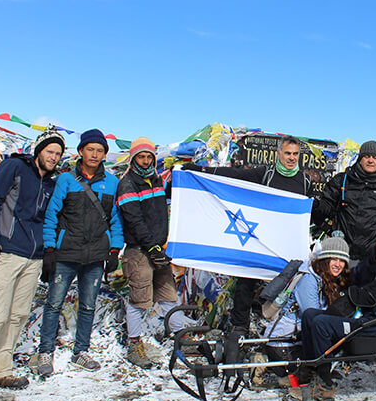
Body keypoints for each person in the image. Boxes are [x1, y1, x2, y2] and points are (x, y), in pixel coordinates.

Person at [0, 127, 65, 401]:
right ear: (39, 150)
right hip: (6, 253)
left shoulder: (50, 183)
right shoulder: (14, 167)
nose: (53, 157)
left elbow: (48, 220)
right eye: (50, 151)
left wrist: (48, 253)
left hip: (32, 258)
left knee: (18, 316)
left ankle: (1, 370)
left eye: (58, 154)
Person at [182, 135, 310, 335]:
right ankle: (240, 325)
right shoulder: (266, 173)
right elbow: (235, 174)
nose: (291, 158)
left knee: (287, 286)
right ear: (279, 154)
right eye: (287, 153)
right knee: (247, 280)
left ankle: (281, 326)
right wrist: (201, 171)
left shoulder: (304, 180)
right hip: (259, 239)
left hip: (285, 245)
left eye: (295, 154)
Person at [299, 216, 376, 401]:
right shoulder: (374, 260)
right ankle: (310, 371)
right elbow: (353, 278)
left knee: (321, 324)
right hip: (363, 315)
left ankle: (324, 388)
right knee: (310, 315)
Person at [37, 128, 124, 376]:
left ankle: (81, 352)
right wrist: (50, 249)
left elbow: (116, 219)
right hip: (66, 253)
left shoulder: (112, 183)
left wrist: (114, 249)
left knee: (88, 305)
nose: (95, 154)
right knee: (53, 304)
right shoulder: (65, 180)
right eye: (90, 149)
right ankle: (45, 353)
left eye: (99, 150)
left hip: (96, 255)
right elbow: (51, 215)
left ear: (104, 154)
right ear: (81, 151)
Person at [116, 137, 190, 368]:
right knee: (140, 299)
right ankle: (134, 343)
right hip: (140, 251)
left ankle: (182, 336)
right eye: (141, 156)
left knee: (168, 294)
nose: (146, 161)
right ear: (133, 158)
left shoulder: (155, 179)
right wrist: (153, 247)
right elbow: (135, 220)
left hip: (159, 249)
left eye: (149, 156)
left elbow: (168, 200)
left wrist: (184, 174)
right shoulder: (127, 184)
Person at [263, 235, 351, 378]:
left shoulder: (327, 278)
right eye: (334, 259)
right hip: (283, 343)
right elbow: (311, 316)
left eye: (342, 260)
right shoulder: (309, 278)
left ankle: (323, 367)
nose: (338, 264)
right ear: (325, 259)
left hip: (298, 339)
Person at [312, 141, 376, 261]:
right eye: (367, 156)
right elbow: (326, 206)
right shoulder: (342, 180)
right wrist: (326, 226)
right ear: (360, 159)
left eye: (375, 157)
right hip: (341, 249)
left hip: (370, 254)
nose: (371, 160)